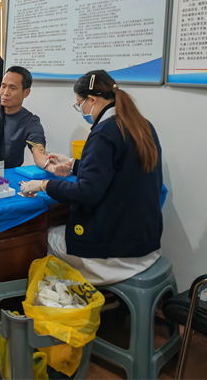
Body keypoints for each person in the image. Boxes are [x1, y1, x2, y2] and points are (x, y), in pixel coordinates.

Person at [21, 70, 163, 286]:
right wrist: (75, 164)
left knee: (41, 238)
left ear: (92, 100)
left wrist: (43, 184)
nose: (82, 110)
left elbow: (86, 194)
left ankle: (64, 305)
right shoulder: (141, 125)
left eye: (80, 104)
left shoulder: (104, 132)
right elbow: (121, 171)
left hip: (114, 255)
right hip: (145, 245)